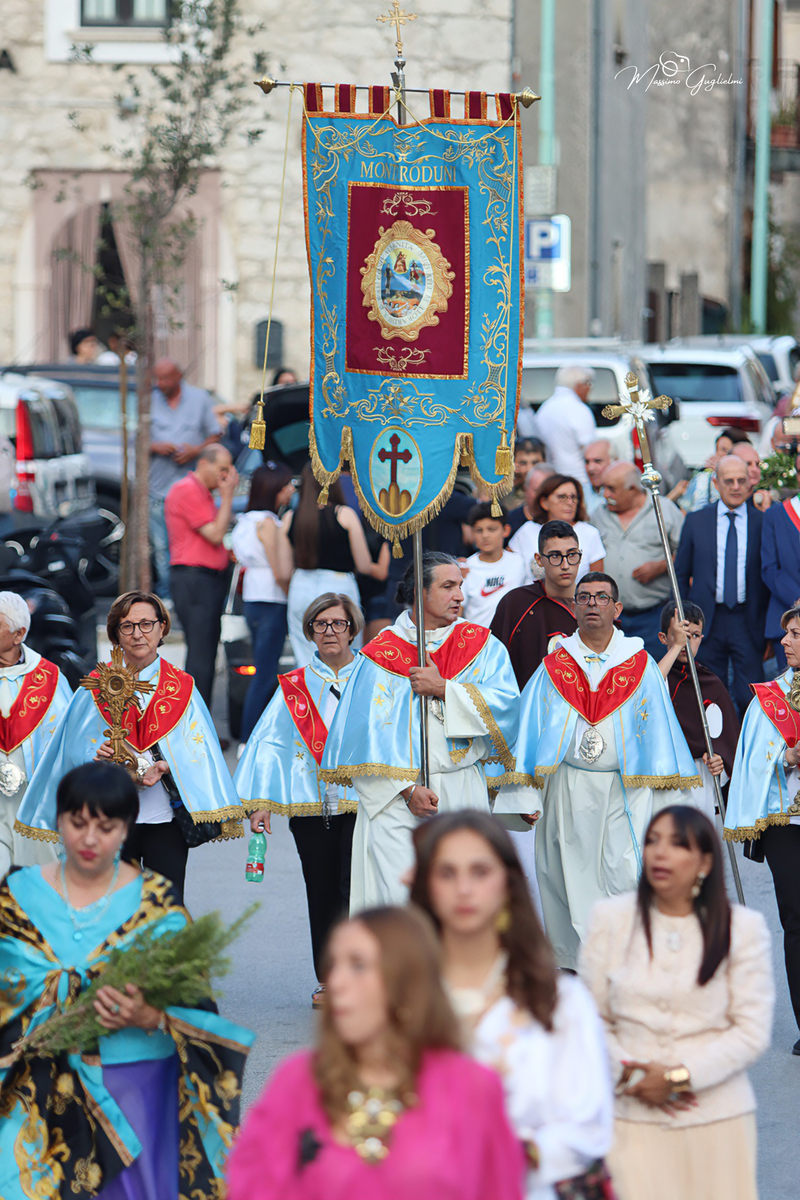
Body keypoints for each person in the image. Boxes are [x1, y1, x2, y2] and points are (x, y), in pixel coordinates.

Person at [0, 761, 253, 1200]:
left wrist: (151, 1015)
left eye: (107, 825)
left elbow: (197, 1008)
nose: (90, 839)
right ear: (57, 821)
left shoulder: (157, 905)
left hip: (133, 1085)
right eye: (78, 823)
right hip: (34, 1087)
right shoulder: (16, 897)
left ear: (126, 828)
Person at [226, 906, 525, 1200]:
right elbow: (250, 1186)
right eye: (334, 965)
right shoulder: (299, 1081)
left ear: (408, 983)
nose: (338, 982)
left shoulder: (471, 1088)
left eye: (358, 965)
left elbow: (499, 1188)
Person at [411, 812, 615, 1200]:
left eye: (480, 871)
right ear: (426, 887)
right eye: (447, 873)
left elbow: (589, 1124)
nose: (464, 888)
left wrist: (507, 1151)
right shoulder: (402, 996)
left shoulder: (560, 999)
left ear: (508, 883)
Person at [506, 572, 700, 969]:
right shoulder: (554, 666)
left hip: (622, 792)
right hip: (567, 790)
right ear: (574, 607)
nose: (592, 603)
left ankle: (626, 963)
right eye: (584, 597)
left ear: (618, 608)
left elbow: (661, 737)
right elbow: (528, 732)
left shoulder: (640, 665)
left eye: (601, 597)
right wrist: (526, 794)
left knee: (625, 875)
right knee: (565, 878)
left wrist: (673, 805)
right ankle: (577, 968)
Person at [581, 806, 773, 1200]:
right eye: (652, 841)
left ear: (705, 862)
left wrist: (676, 1078)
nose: (659, 853)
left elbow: (751, 1032)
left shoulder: (743, 929)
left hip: (717, 1117)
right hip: (630, 1116)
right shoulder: (610, 920)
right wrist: (634, 1077)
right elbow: (588, 1019)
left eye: (676, 844)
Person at [321, 552, 522, 910]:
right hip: (399, 802)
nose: (460, 595)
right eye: (448, 586)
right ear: (418, 594)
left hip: (462, 793)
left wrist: (446, 689)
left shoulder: (484, 646)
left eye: (460, 585)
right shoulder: (380, 654)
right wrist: (405, 788)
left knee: (462, 905)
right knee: (404, 907)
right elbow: (361, 745)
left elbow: (508, 711)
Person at [16, 591, 245, 903]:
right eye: (127, 626)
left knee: (166, 910)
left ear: (162, 628)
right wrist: (97, 760)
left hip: (164, 821)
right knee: (110, 912)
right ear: (115, 634)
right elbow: (70, 754)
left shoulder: (182, 687)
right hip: (108, 821)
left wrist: (168, 766)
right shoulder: (95, 685)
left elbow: (200, 754)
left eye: (146, 624)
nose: (138, 634)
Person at [236, 594, 363, 1008]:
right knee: (322, 891)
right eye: (320, 624)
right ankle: (329, 977)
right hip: (311, 806)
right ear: (309, 632)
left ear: (352, 629)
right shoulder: (293, 687)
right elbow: (269, 744)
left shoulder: (374, 677)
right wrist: (261, 803)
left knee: (357, 888)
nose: (329, 631)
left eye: (338, 624)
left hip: (365, 802)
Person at [724, 602, 800, 1053]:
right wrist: (786, 756)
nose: (785, 642)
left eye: (795, 634)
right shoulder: (767, 699)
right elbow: (751, 762)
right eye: (786, 633)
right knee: (796, 917)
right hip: (785, 824)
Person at [674, 455, 768, 714]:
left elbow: (768, 575)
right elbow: (680, 574)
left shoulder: (762, 522)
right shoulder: (696, 521)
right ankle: (716, 751)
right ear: (716, 483)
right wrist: (684, 616)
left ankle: (750, 748)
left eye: (741, 480)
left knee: (750, 694)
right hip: (706, 620)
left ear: (750, 483)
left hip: (747, 620)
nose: (736, 486)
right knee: (709, 694)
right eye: (729, 481)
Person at [285, 464, 389, 668]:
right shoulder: (344, 514)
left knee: (304, 659)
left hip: (300, 585)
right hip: (339, 586)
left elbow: (282, 571)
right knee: (345, 656)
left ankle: (311, 697)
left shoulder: (290, 518)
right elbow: (364, 565)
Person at [0, 591, 72, 877]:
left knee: (38, 886)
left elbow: (66, 746)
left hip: (33, 805)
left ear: (19, 635)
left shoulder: (50, 679)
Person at [165, 442, 237, 708]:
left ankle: (198, 719)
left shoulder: (203, 492)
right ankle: (196, 721)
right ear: (204, 464)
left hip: (204, 579)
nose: (225, 477)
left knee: (205, 651)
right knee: (200, 654)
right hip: (194, 579)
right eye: (222, 470)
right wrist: (228, 496)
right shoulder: (187, 490)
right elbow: (215, 534)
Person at [657, 602, 740, 822]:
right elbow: (649, 694)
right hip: (661, 774)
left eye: (694, 635)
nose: (686, 642)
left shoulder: (711, 684)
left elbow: (726, 742)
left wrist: (719, 762)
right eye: (680, 634)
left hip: (699, 777)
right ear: (663, 637)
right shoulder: (653, 675)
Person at [592, 461, 683, 660]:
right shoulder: (599, 514)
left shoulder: (663, 509)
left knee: (654, 673)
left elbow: (685, 554)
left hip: (653, 615)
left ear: (632, 489)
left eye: (612, 489)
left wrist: (660, 567)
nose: (605, 494)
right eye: (603, 488)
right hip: (612, 617)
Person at [230, 463, 295, 742]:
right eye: (287, 485)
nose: (292, 489)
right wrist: (291, 592)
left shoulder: (245, 520)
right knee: (266, 673)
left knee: (262, 669)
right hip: (272, 598)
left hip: (253, 598)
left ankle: (252, 735)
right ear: (276, 490)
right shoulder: (268, 522)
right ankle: (250, 738)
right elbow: (279, 568)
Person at [149, 358, 222, 600]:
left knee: (190, 547)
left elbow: (216, 434)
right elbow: (133, 440)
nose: (160, 384)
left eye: (165, 378)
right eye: (157, 378)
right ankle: (168, 598)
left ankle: (186, 596)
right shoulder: (148, 400)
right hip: (158, 488)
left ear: (179, 376)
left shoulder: (199, 399)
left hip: (191, 490)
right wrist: (154, 446)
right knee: (162, 548)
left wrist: (196, 450)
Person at [490, 520, 580, 690]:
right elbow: (493, 666)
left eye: (572, 555)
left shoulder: (593, 604)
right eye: (555, 556)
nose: (565, 565)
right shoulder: (516, 603)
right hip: (528, 710)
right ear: (539, 559)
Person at [509, 474, 605, 584]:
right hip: (532, 600)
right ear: (544, 502)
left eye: (573, 497)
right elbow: (506, 567)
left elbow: (596, 583)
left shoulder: (590, 533)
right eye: (562, 497)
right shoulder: (527, 530)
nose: (570, 503)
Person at [530, 366, 598, 491]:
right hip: (579, 481)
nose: (589, 389)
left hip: (551, 480)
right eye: (588, 384)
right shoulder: (579, 409)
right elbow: (590, 449)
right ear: (579, 385)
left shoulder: (544, 409)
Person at [460, 503, 527, 625]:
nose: (485, 535)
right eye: (479, 530)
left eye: (491, 529)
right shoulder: (465, 568)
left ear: (506, 530)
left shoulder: (520, 563)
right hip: (477, 639)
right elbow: (458, 611)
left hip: (511, 638)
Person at [761, 484, 800, 670]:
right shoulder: (776, 515)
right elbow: (769, 568)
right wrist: (797, 599)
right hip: (786, 617)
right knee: (789, 693)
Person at [678, 428, 749, 512]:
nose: (718, 454)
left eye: (724, 450)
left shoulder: (748, 478)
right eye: (717, 450)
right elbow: (685, 509)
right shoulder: (703, 477)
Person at [506, 463, 555, 537]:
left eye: (549, 492)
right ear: (526, 489)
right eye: (537, 491)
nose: (542, 497)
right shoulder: (510, 522)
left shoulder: (567, 520)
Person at [505, 437, 546, 510]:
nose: (530, 469)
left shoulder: (555, 489)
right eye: (523, 463)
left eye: (535, 463)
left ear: (544, 462)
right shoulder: (506, 493)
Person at [582, 439, 617, 515]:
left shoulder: (624, 492)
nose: (590, 468)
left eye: (597, 461)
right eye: (587, 462)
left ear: (614, 462)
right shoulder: (580, 493)